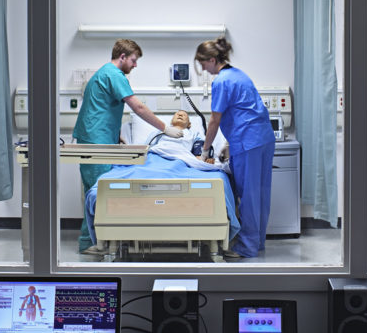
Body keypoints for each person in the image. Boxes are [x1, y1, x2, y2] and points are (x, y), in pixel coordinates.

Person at [73, 38, 183, 254]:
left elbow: (100, 108)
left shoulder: (103, 73)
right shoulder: (114, 75)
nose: (135, 65)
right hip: (97, 141)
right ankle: (90, 243)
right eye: (133, 60)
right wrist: (164, 128)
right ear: (122, 57)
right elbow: (138, 107)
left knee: (94, 189)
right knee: (98, 191)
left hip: (99, 137)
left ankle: (94, 240)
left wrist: (115, 137)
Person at [195, 37, 275, 258]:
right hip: (263, 139)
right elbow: (244, 110)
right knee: (260, 193)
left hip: (247, 141)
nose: (202, 68)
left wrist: (204, 151)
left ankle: (247, 247)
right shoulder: (240, 75)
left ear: (213, 59)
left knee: (248, 195)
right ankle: (257, 242)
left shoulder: (221, 81)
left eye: (203, 63)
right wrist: (229, 143)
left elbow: (214, 120)